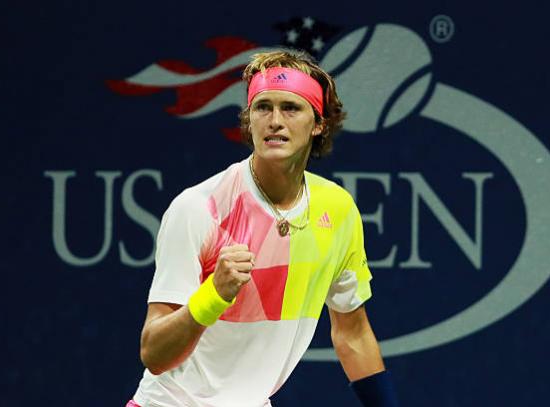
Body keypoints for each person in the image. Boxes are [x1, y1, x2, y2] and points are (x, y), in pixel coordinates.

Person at [127, 50, 398, 407]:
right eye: (263, 107)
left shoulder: (337, 210)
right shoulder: (199, 208)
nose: (275, 121)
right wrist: (213, 296)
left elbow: (352, 333)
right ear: (249, 120)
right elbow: (154, 354)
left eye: (291, 108)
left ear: (318, 124)